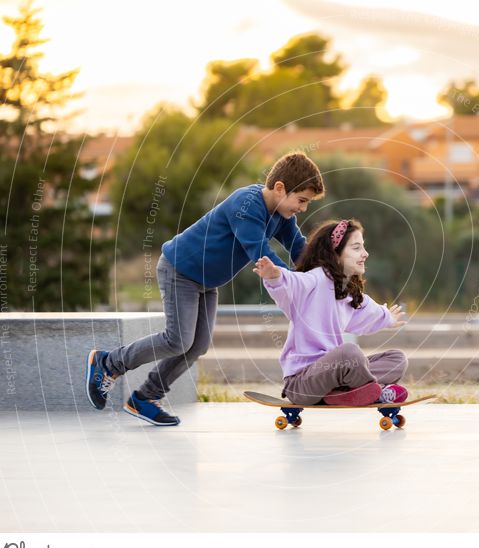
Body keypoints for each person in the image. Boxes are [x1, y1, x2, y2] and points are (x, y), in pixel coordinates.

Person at [85, 151, 325, 425]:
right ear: (280, 188)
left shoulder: (282, 216)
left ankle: (144, 398)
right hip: (180, 270)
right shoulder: (247, 204)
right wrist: (294, 280)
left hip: (206, 281)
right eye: (302, 200)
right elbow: (260, 252)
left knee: (197, 345)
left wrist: (324, 273)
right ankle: (108, 363)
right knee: (177, 340)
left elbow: (298, 247)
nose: (303, 209)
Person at [253, 218, 409, 406]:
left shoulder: (349, 291)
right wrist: (275, 277)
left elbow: (369, 311)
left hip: (335, 377)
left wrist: (387, 318)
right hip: (302, 383)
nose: (365, 254)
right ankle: (378, 392)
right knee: (349, 353)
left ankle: (346, 393)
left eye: (364, 247)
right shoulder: (315, 279)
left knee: (396, 358)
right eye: (357, 247)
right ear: (335, 253)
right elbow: (294, 283)